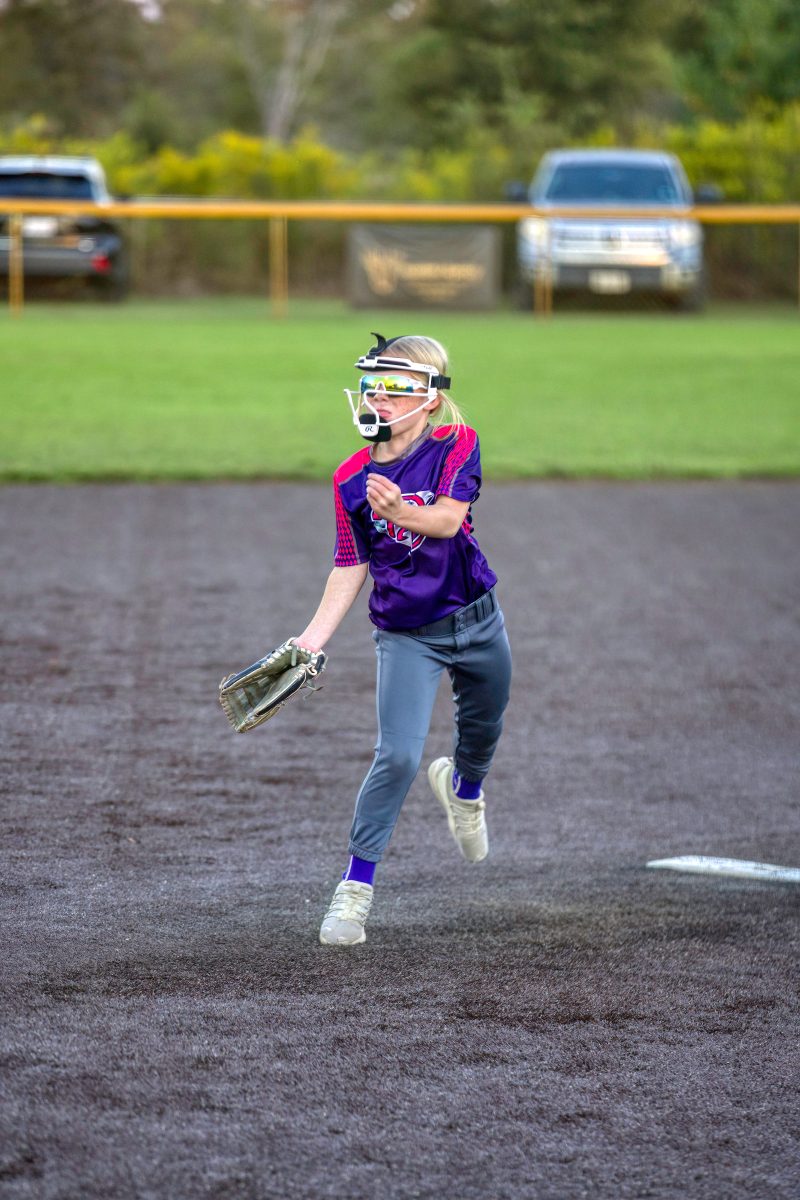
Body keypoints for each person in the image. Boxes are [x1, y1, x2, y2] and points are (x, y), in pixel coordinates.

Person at [294, 332, 512, 946]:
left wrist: (396, 512)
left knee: (483, 731)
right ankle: (355, 889)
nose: (379, 398)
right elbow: (350, 564)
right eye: (373, 386)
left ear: (431, 400)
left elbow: (445, 520)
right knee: (396, 756)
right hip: (406, 635)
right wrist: (311, 640)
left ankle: (464, 792)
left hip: (477, 618)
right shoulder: (349, 477)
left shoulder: (456, 443)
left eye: (396, 387)